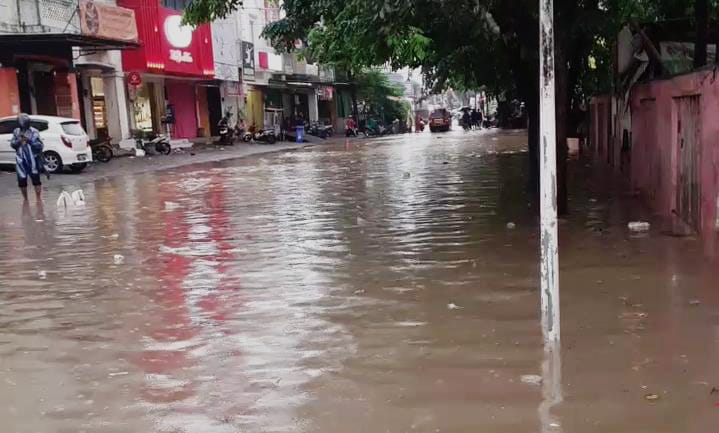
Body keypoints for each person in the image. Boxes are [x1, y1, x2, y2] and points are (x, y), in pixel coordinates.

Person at [11, 113, 45, 201]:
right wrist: (19, 140)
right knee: (22, 181)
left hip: (32, 159)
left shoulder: (34, 131)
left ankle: (38, 199)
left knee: (36, 179)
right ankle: (25, 199)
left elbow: (40, 145)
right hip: (20, 160)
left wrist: (29, 141)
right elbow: (12, 144)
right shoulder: (16, 131)